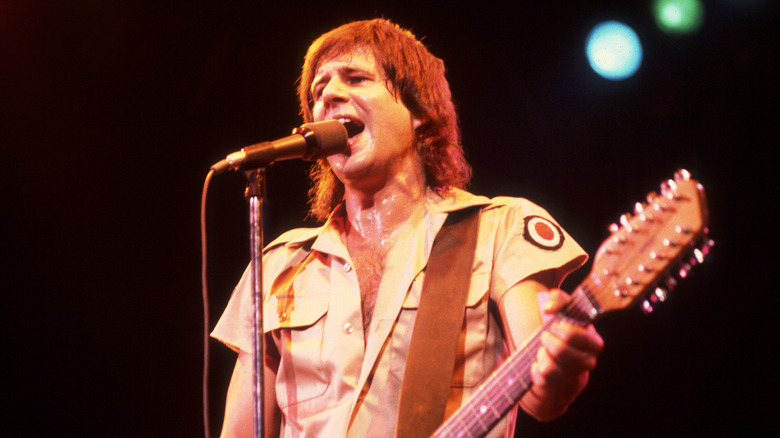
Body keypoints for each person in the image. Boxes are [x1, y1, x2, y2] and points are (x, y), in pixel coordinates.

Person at [212, 18, 604, 438]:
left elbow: (542, 396)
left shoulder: (498, 230)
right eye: (318, 90)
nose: (329, 95)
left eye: (356, 78)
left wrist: (560, 366)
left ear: (418, 110)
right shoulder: (279, 265)